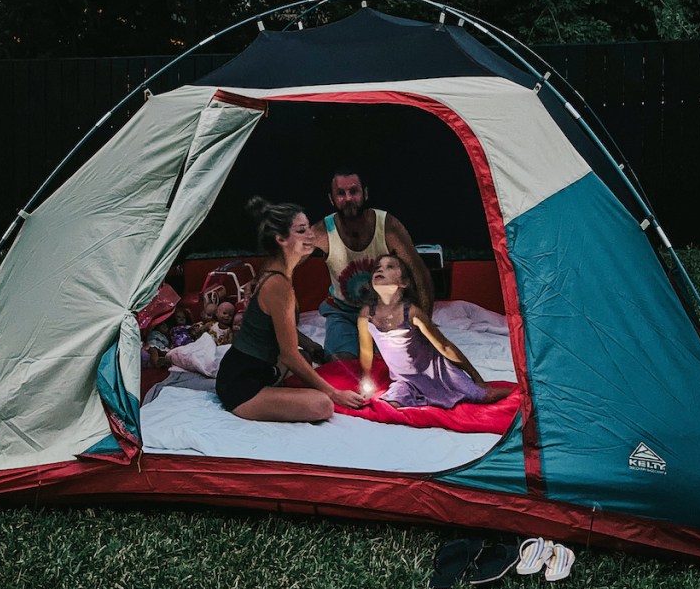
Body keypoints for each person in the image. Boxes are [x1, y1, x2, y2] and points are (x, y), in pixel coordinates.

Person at [215, 197, 367, 421]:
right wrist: (334, 393)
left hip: (253, 367)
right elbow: (288, 356)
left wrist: (313, 347)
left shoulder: (276, 271)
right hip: (241, 386)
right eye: (302, 230)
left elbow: (282, 330)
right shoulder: (279, 285)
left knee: (306, 356)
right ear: (281, 240)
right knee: (322, 405)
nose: (311, 235)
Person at [310, 169, 434, 360]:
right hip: (343, 312)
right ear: (331, 199)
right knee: (341, 368)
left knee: (395, 364)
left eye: (354, 191)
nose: (348, 198)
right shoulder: (322, 231)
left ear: (365, 194)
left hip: (386, 309)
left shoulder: (387, 226)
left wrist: (425, 328)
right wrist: (262, 281)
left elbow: (420, 274)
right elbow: (287, 263)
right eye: (341, 193)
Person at [357, 253, 509, 408]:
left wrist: (476, 378)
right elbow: (366, 352)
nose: (380, 270)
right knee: (389, 405)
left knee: (484, 396)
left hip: (439, 374)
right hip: (406, 381)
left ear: (404, 282)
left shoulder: (412, 313)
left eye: (389, 267)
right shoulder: (366, 315)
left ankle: (518, 393)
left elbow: (444, 346)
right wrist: (365, 379)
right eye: (377, 268)